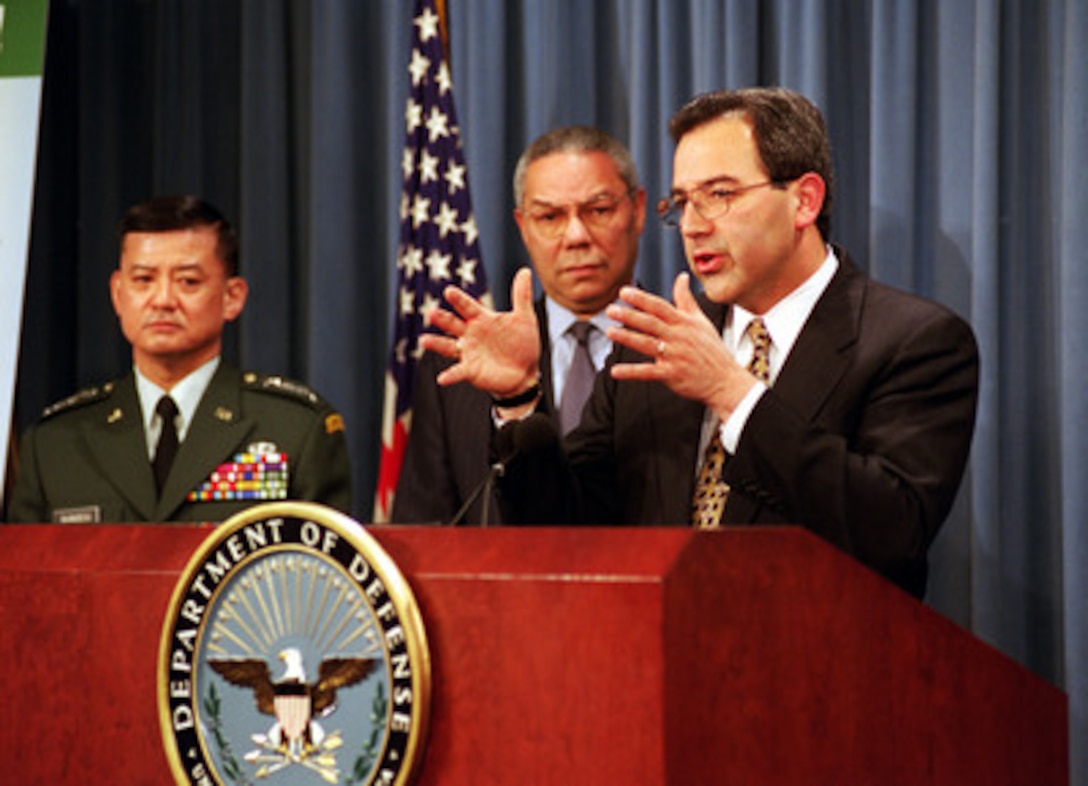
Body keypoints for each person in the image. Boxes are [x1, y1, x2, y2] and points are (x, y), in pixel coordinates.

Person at [420, 87, 979, 598]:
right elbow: (571, 531)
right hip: (652, 682)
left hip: (819, 685)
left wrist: (735, 396)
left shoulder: (914, 343)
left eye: (719, 194)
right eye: (683, 202)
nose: (693, 224)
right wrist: (520, 400)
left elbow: (893, 531)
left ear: (804, 201)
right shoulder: (649, 344)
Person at [8, 195, 352, 523]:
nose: (162, 299)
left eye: (188, 281)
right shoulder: (55, 444)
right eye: (143, 280)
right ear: (118, 294)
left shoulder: (296, 431)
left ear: (232, 297)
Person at [393, 126, 646, 524]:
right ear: (523, 226)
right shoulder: (457, 371)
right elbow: (422, 531)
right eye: (550, 216)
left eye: (598, 210)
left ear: (638, 209)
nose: (576, 235)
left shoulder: (685, 347)